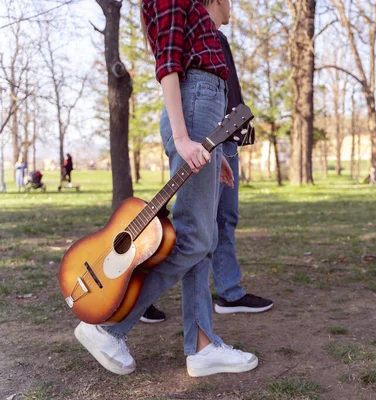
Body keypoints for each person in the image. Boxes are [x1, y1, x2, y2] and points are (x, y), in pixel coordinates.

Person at [74, 0, 258, 378]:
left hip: (201, 114)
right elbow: (169, 64)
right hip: (193, 108)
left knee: (199, 241)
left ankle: (203, 346)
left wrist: (214, 146)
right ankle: (107, 327)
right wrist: (183, 135)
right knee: (192, 240)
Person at [141, 30, 273, 324]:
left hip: (218, 135)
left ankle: (221, 305)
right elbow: (169, 68)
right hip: (204, 130)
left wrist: (223, 145)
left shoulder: (214, 35)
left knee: (215, 225)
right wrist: (183, 138)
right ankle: (130, 300)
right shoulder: (201, 33)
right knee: (193, 233)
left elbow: (227, 91)